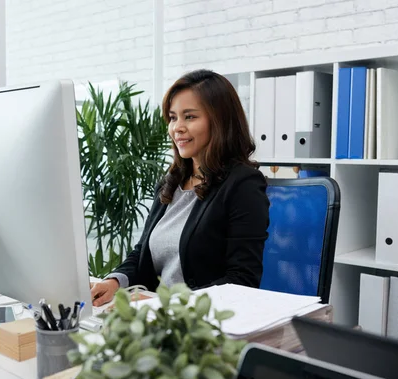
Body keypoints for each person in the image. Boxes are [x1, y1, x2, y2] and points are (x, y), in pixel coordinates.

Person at [90, 69, 270, 307]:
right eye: (173, 117)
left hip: (200, 324)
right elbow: (142, 251)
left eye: (190, 117)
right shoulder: (172, 182)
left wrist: (166, 304)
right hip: (157, 315)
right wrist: (114, 282)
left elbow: (242, 281)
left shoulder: (242, 184)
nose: (177, 128)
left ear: (219, 121)